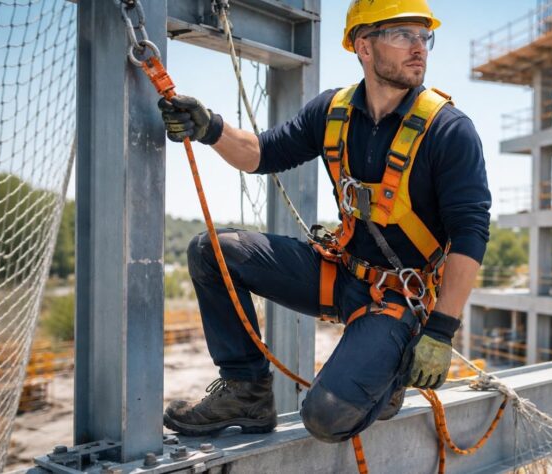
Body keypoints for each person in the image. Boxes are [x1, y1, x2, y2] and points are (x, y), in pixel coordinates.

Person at [158, 0, 490, 443]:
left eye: (423, 36)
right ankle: (246, 392)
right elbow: (262, 153)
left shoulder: (449, 131)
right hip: (341, 274)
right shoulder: (333, 112)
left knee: (325, 417)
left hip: (398, 301)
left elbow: (470, 233)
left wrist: (441, 332)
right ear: (363, 46)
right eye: (402, 35)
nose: (419, 48)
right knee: (212, 250)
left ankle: (389, 374)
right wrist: (210, 128)